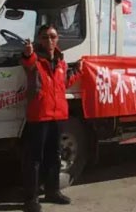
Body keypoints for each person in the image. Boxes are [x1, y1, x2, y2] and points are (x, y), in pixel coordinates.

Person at [21, 24, 83, 212]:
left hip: (58, 116)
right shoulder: (34, 60)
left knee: (54, 157)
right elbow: (27, 61)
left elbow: (63, 84)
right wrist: (27, 53)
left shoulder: (61, 62)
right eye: (45, 37)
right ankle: (31, 199)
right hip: (39, 116)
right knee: (34, 159)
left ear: (57, 39)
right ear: (39, 39)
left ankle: (52, 192)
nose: (49, 40)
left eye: (52, 36)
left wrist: (78, 70)